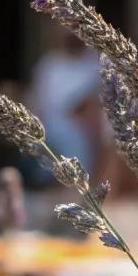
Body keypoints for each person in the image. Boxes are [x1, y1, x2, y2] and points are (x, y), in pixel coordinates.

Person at [30, 29, 101, 170]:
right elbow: (37, 99)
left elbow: (96, 98)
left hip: (85, 122)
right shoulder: (49, 64)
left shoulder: (95, 63)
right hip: (50, 122)